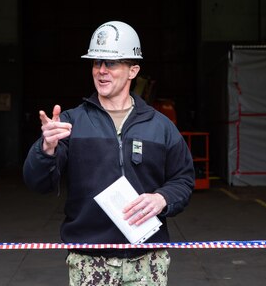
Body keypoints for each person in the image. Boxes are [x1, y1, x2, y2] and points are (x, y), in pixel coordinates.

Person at [23, 21, 194, 286]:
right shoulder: (71, 123)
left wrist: (162, 198)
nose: (101, 71)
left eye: (111, 63)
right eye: (96, 63)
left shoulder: (160, 127)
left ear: (133, 70)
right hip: (90, 262)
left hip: (147, 261)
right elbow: (37, 182)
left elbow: (183, 179)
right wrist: (46, 149)